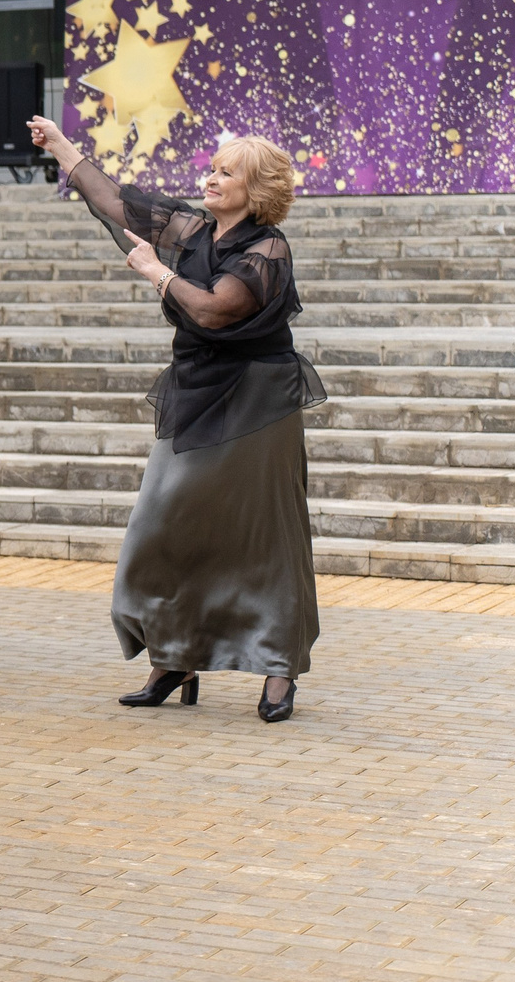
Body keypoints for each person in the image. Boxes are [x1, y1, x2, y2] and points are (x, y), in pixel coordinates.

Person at [30, 119, 321, 723]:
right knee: (162, 521)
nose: (210, 178)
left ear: (257, 188)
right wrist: (62, 148)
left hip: (257, 395)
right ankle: (175, 655)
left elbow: (217, 311)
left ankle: (277, 665)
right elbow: (117, 202)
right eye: (211, 169)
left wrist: (158, 273)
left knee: (263, 533)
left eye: (226, 173)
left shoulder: (268, 247)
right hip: (195, 386)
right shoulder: (193, 228)